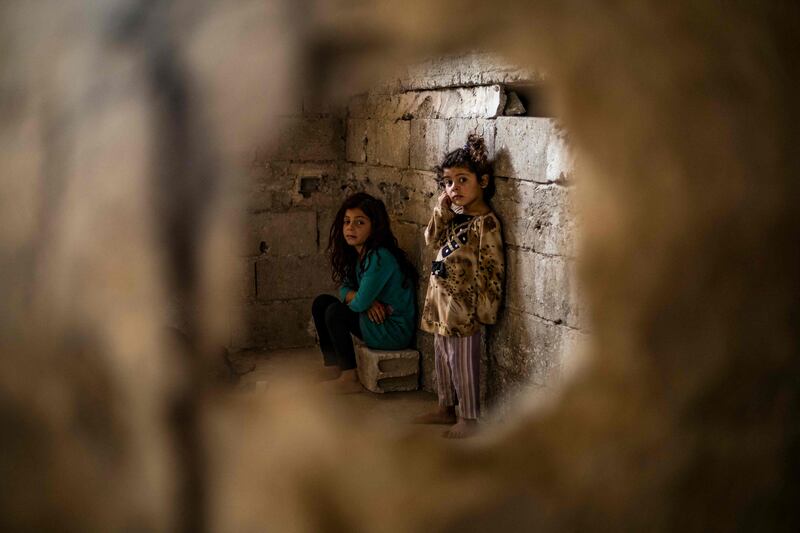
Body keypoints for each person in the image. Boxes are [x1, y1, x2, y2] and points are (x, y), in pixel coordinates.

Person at [414, 134, 505, 438]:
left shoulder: (485, 223)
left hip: (466, 311)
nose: (454, 189)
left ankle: (469, 418)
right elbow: (431, 239)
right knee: (442, 358)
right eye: (448, 182)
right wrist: (441, 208)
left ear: (483, 181)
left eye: (462, 180)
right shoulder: (455, 216)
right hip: (441, 303)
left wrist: (485, 312)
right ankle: (445, 407)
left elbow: (493, 268)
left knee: (463, 364)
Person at [312, 192, 418, 393]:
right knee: (321, 303)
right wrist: (365, 300)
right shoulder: (359, 254)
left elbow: (357, 303)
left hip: (391, 329)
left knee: (335, 313)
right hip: (374, 319)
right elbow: (344, 288)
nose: (350, 228)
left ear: (375, 227)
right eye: (347, 221)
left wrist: (363, 301)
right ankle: (333, 365)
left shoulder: (379, 258)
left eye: (359, 223)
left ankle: (349, 377)